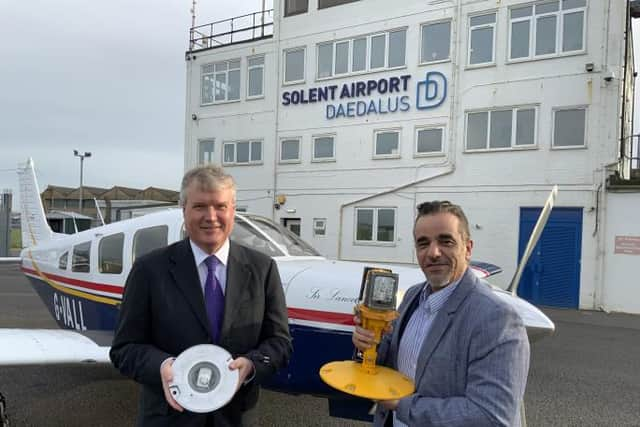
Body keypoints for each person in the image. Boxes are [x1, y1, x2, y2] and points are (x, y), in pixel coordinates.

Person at [110, 165, 292, 427]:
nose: (211, 216)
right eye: (199, 206)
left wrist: (251, 366)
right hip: (168, 419)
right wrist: (161, 366)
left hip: (236, 418)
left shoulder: (263, 269)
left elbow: (279, 342)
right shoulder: (149, 269)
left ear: (233, 210)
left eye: (220, 206)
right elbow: (124, 349)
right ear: (183, 210)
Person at [352, 201, 530, 427]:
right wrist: (368, 345)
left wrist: (402, 405)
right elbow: (388, 363)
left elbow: (490, 416)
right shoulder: (412, 296)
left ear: (467, 248)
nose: (433, 253)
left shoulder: (498, 319)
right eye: (423, 243)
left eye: (446, 241)